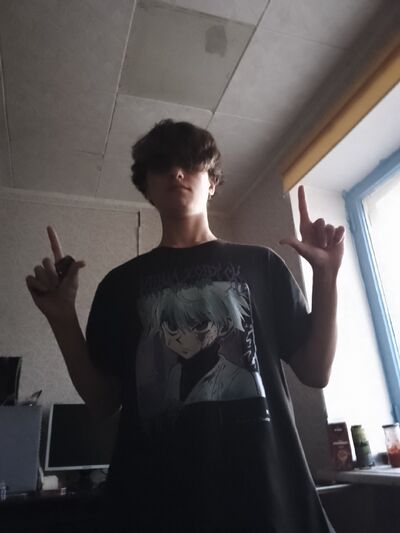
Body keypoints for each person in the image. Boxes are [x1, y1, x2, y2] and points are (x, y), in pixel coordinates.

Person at [26, 119, 344, 532]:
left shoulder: (263, 265)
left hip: (269, 498)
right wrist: (62, 317)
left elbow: (316, 372)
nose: (177, 172)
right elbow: (102, 402)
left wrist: (326, 277)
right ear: (147, 188)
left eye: (190, 163)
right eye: (162, 165)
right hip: (156, 506)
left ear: (212, 182)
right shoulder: (119, 286)